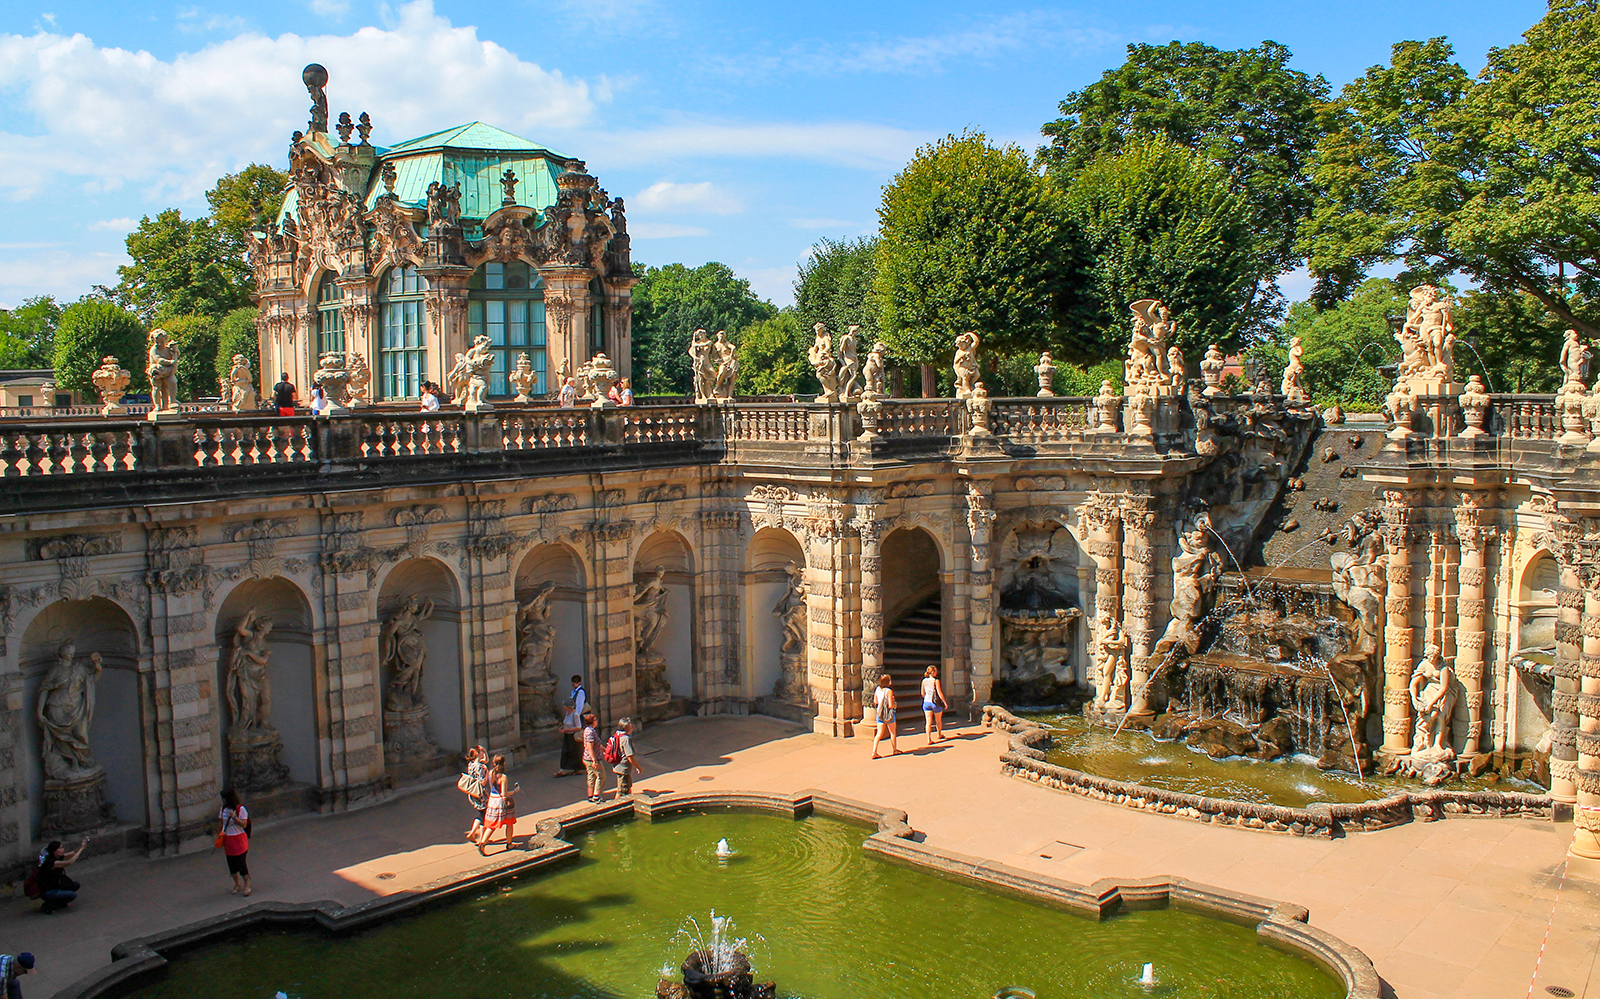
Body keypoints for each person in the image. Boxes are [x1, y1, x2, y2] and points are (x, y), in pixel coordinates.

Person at [216, 788, 252, 896]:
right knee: (232, 865)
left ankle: (247, 884)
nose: (223, 801)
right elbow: (221, 823)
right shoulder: (223, 809)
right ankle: (237, 883)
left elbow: (244, 824)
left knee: (241, 863)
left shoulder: (240, 809)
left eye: (224, 799)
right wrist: (218, 836)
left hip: (239, 839)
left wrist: (235, 818)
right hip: (228, 839)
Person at [35, 839, 85, 913]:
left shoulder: (57, 857)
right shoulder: (50, 862)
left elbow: (72, 853)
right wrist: (81, 849)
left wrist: (82, 846)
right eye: (60, 848)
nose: (63, 850)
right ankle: (49, 905)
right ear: (54, 851)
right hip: (47, 890)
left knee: (75, 885)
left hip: (55, 885)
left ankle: (60, 902)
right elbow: (70, 862)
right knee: (72, 895)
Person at [481, 754, 516, 854]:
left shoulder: (490, 772)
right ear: (503, 764)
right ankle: (509, 844)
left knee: (492, 824)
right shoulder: (503, 777)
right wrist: (514, 791)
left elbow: (487, 784)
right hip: (501, 802)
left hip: (492, 800)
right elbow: (504, 794)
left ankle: (483, 843)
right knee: (509, 822)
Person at [462, 745, 489, 845]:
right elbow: (483, 782)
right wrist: (487, 775)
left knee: (481, 814)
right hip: (481, 794)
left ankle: (472, 833)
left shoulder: (471, 764)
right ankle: (481, 839)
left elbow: (485, 760)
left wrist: (484, 751)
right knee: (484, 816)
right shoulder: (481, 767)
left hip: (473, 793)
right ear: (478, 754)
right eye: (481, 752)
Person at [610, 717, 640, 799]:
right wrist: (638, 767)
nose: (632, 726)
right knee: (622, 792)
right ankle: (615, 807)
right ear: (625, 727)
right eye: (630, 724)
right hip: (624, 769)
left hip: (619, 766)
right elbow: (629, 756)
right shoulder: (626, 739)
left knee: (626, 788)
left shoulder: (617, 734)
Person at [870, 674, 898, 759]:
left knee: (879, 733)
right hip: (888, 714)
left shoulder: (877, 689)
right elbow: (890, 705)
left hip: (880, 713)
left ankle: (874, 752)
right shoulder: (889, 691)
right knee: (892, 732)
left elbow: (875, 701)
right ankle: (894, 749)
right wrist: (895, 705)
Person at [581, 710, 604, 802]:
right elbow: (590, 747)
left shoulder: (588, 730)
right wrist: (594, 760)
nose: (597, 721)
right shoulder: (590, 732)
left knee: (591, 776)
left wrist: (603, 749)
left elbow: (595, 744)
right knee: (601, 776)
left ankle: (590, 796)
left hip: (586, 758)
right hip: (592, 759)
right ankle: (596, 796)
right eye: (595, 719)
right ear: (592, 721)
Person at [920, 665, 947, 745]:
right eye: (935, 671)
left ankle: (929, 739)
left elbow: (922, 693)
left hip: (926, 702)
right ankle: (939, 734)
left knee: (928, 722)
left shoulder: (924, 681)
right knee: (938, 720)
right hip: (935, 703)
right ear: (932, 672)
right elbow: (939, 693)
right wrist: (944, 702)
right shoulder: (936, 681)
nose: (936, 672)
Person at [554, 698, 581, 777]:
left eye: (565, 706)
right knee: (565, 752)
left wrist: (567, 729)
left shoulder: (575, 714)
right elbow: (566, 723)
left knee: (573, 753)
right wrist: (563, 728)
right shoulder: (567, 713)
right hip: (567, 735)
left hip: (573, 736)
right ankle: (562, 769)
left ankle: (576, 769)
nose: (563, 707)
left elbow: (578, 727)